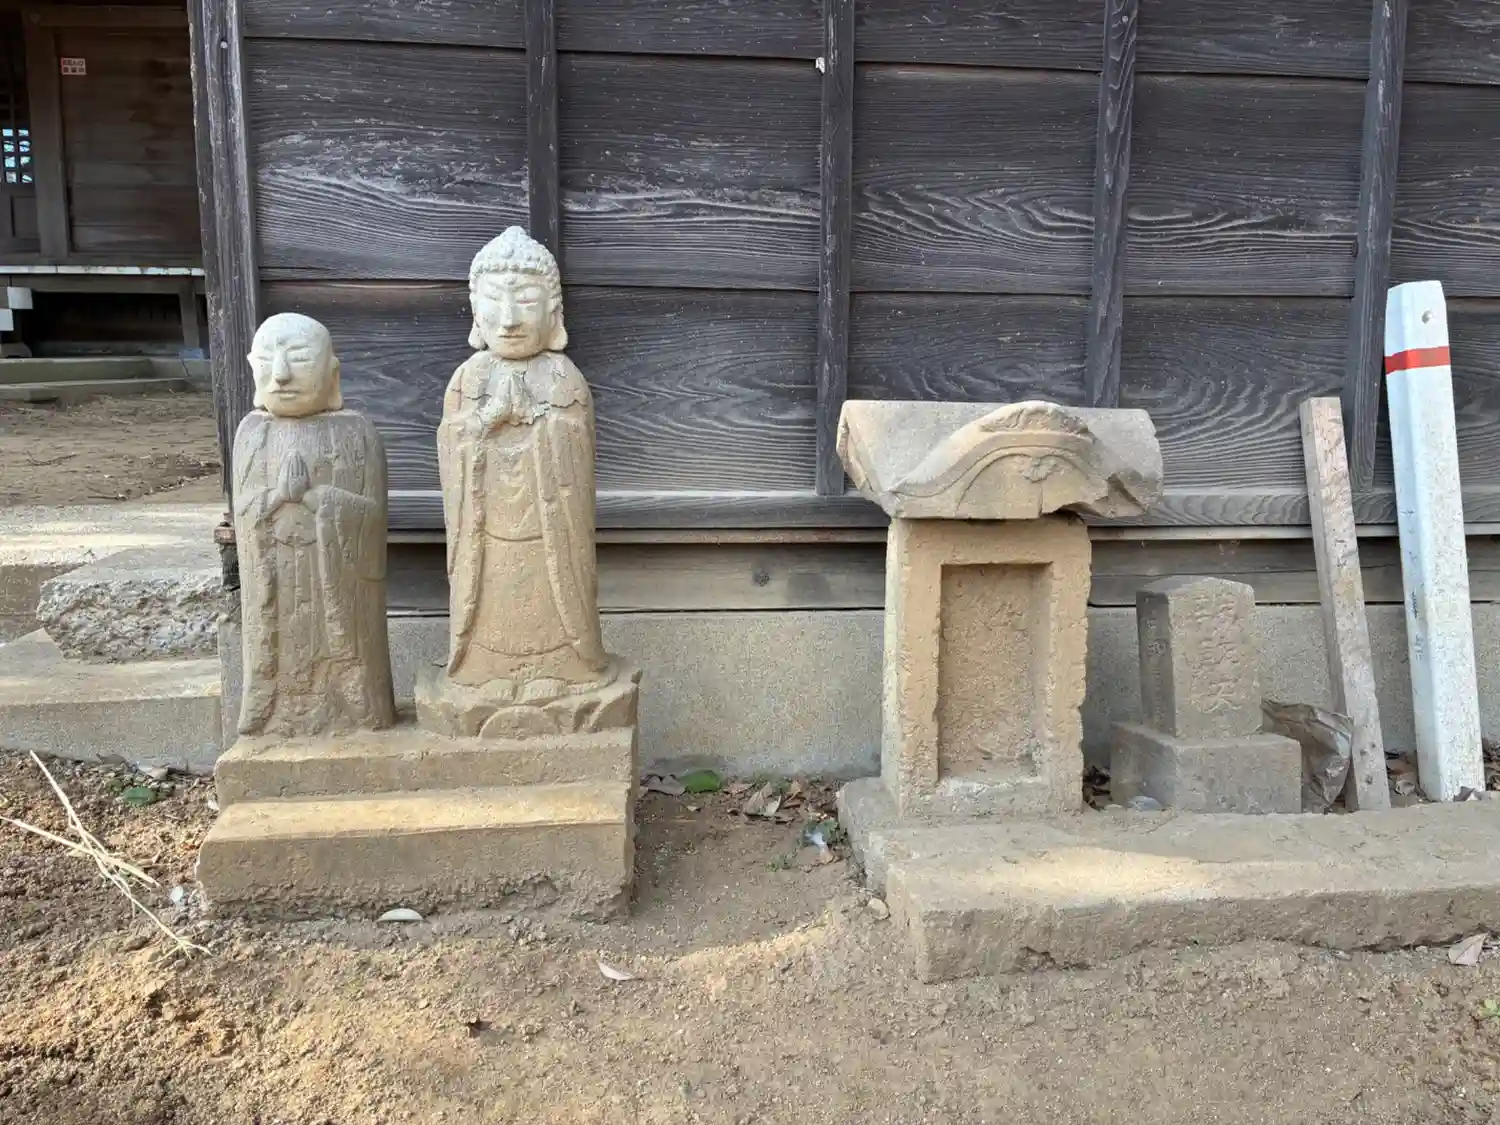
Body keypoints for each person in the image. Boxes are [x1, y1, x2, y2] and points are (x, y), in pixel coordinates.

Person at [233, 311, 395, 736]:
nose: (281, 375)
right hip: (277, 574)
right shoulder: (251, 434)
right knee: (279, 637)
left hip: (332, 574)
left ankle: (354, 705)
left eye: (300, 359)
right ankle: (270, 706)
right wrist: (277, 497)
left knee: (339, 641)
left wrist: (315, 497)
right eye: (267, 360)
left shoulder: (356, 433)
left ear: (332, 374)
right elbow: (245, 513)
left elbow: (372, 514)